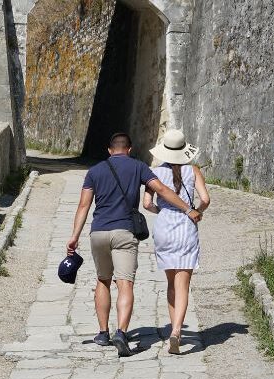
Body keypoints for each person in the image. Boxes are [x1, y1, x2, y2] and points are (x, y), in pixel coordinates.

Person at [66, 133, 201, 357]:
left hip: (98, 231)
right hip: (124, 232)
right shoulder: (138, 167)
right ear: (129, 149)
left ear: (109, 150)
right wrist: (188, 209)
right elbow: (163, 191)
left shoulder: (94, 171)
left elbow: (83, 206)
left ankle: (102, 332)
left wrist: (74, 236)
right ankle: (121, 331)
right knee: (125, 284)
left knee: (102, 280)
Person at [141, 129, 209, 354]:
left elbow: (147, 204)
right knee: (183, 284)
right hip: (186, 227)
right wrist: (196, 211)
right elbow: (206, 199)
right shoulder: (194, 170)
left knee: (171, 282)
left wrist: (163, 210)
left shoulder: (154, 173)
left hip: (165, 226)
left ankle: (174, 329)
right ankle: (177, 331)